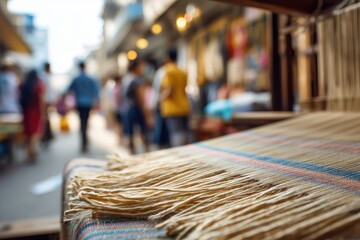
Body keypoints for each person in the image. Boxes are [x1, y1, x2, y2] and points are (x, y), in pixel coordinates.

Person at [67, 61, 100, 152]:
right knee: (86, 122)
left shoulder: (76, 79)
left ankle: (84, 141)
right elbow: (96, 91)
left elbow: (68, 89)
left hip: (80, 104)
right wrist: (96, 102)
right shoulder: (91, 79)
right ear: (85, 67)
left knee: (82, 123)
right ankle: (85, 140)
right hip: (88, 103)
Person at [160, 49, 190, 147]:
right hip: (184, 105)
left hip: (172, 108)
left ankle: (179, 156)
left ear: (168, 58)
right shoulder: (182, 72)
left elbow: (168, 90)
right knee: (185, 133)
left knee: (175, 134)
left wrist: (161, 99)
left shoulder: (167, 71)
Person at [121, 60, 151, 154]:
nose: (142, 69)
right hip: (137, 108)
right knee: (143, 131)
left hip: (128, 108)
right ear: (136, 67)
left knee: (130, 133)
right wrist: (147, 114)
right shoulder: (136, 80)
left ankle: (132, 153)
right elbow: (140, 98)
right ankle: (147, 153)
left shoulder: (126, 79)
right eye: (141, 66)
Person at [20, 70, 45, 161]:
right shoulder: (38, 85)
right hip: (35, 111)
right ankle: (31, 151)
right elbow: (41, 100)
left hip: (25, 111)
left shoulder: (23, 84)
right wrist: (43, 113)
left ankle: (28, 152)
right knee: (35, 132)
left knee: (28, 132)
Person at [150, 62, 170, 149]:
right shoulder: (164, 72)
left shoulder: (162, 72)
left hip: (163, 104)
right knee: (161, 128)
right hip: (163, 105)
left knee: (161, 128)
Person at [40, 62, 55, 146]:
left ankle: (46, 136)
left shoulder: (45, 76)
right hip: (44, 101)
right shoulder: (44, 76)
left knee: (46, 118)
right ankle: (44, 137)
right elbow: (45, 91)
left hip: (46, 101)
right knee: (44, 118)